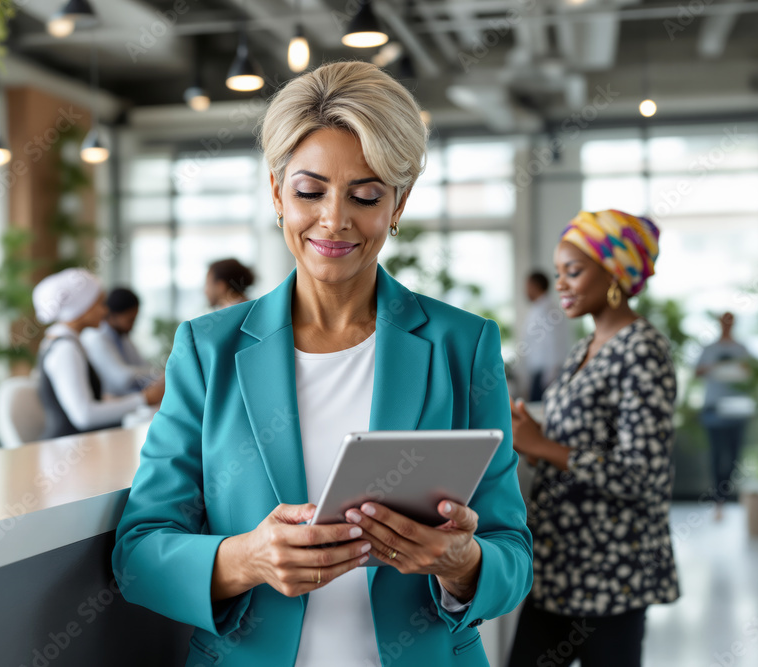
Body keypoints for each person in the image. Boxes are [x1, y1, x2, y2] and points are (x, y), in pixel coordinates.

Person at [113, 62, 532, 667]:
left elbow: (512, 556)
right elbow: (139, 553)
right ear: (277, 193)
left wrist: (461, 563)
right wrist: (247, 558)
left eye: (365, 196)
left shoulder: (462, 345)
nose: (334, 219)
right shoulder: (209, 350)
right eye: (310, 192)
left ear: (399, 203)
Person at [507, 209, 680, 667]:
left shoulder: (642, 350)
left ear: (615, 273)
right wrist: (534, 440)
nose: (561, 284)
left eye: (574, 271)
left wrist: (544, 446)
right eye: (558, 272)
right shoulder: (586, 347)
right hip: (560, 564)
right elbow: (581, 447)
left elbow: (643, 475)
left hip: (610, 573)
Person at [32, 269, 163, 440]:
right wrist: (144, 399)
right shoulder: (65, 349)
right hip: (67, 447)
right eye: (100, 303)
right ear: (82, 307)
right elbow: (84, 416)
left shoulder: (64, 342)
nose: (105, 311)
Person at [695, 311, 753, 519]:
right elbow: (697, 372)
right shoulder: (710, 349)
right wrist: (716, 367)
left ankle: (724, 497)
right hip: (714, 408)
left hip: (737, 408)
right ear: (720, 322)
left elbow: (752, 373)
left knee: (734, 457)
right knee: (717, 455)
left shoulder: (741, 349)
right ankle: (718, 501)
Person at [81, 287, 163, 397]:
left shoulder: (122, 336)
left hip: (126, 400)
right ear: (112, 316)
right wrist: (159, 375)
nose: (133, 325)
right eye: (130, 320)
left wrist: (158, 375)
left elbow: (143, 365)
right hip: (110, 402)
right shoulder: (96, 337)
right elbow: (123, 378)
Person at [520, 270, 572, 402]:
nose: (525, 291)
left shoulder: (547, 309)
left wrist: (550, 375)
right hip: (540, 373)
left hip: (546, 374)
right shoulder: (538, 308)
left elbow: (554, 343)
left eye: (527, 286)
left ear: (536, 286)